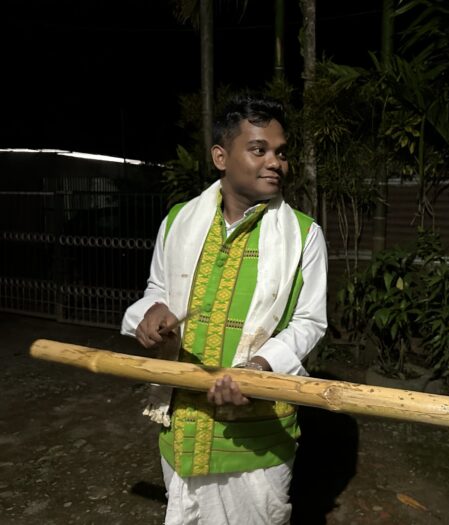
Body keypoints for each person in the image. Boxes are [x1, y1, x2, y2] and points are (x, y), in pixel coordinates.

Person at [121, 95, 328, 524]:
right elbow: (158, 288)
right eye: (259, 150)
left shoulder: (304, 235)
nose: (275, 162)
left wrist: (260, 366)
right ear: (221, 156)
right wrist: (152, 313)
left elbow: (310, 322)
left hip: (257, 441)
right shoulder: (179, 221)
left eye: (281, 152)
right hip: (183, 428)